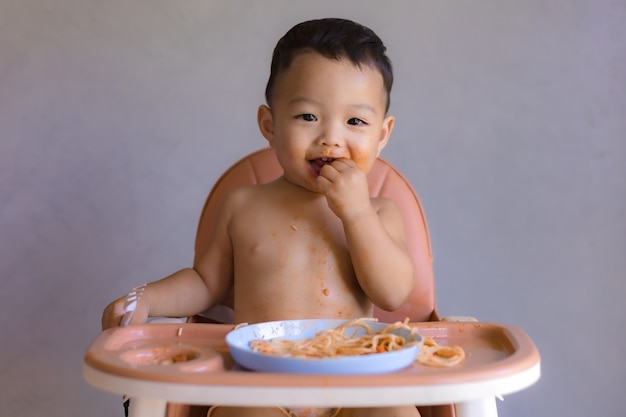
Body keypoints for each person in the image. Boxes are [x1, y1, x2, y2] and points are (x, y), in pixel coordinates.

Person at [102, 18, 420, 417]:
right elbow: (206, 283)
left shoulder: (379, 212)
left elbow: (392, 294)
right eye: (308, 116)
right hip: (257, 381)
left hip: (354, 381)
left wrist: (356, 213)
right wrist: (147, 298)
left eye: (355, 121)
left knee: (397, 413)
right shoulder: (243, 206)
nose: (331, 138)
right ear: (269, 125)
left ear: (382, 134)